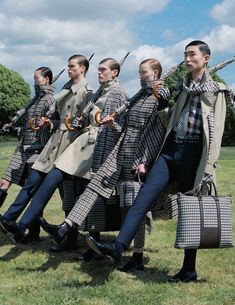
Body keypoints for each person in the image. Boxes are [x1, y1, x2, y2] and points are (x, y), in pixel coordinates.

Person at [85, 40, 229, 282]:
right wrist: (162, 103)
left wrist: (208, 166)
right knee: (143, 197)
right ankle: (118, 248)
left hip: (195, 154)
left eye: (192, 54)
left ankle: (189, 269)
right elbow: (169, 119)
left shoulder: (217, 91)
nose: (187, 59)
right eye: (185, 55)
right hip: (170, 150)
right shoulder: (181, 88)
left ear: (206, 58)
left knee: (189, 209)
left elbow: (217, 132)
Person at [41, 58, 169, 271]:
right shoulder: (137, 98)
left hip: (137, 159)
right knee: (92, 188)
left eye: (144, 72)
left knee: (131, 206)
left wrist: (144, 161)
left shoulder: (158, 98)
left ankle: (137, 256)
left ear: (156, 73)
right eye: (139, 72)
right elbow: (124, 129)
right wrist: (113, 125)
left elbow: (158, 134)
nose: (140, 76)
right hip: (119, 152)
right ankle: (66, 227)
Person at [0, 58, 128, 247]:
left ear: (114, 72)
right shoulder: (87, 91)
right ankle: (29, 226)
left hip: (89, 145)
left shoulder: (101, 92)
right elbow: (66, 118)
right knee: (63, 188)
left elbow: (117, 124)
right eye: (99, 69)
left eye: (103, 69)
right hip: (71, 143)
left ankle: (73, 236)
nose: (99, 72)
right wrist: (52, 123)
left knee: (82, 193)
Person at [0, 54, 92, 242]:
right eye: (67, 66)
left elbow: (88, 122)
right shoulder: (65, 89)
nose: (68, 69)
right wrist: (48, 123)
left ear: (82, 68)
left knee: (64, 192)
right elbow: (58, 118)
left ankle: (49, 233)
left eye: (72, 66)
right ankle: (9, 219)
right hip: (52, 146)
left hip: (70, 147)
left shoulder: (88, 92)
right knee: (32, 182)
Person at [0, 66, 55, 241]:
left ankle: (33, 233)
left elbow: (51, 122)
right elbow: (29, 122)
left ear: (46, 80)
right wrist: (15, 127)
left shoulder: (49, 99)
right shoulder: (35, 99)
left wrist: (47, 123)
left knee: (32, 189)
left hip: (38, 148)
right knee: (5, 180)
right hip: (22, 147)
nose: (34, 80)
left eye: (37, 78)